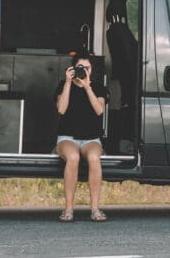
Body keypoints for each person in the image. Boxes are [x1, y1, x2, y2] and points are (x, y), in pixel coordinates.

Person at [54, 54, 109, 222]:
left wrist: (87, 87)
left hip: (91, 139)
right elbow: (61, 109)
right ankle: (68, 209)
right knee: (73, 157)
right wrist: (68, 83)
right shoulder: (64, 85)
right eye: (81, 68)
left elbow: (99, 110)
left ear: (92, 70)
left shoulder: (98, 87)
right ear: (73, 69)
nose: (84, 71)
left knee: (94, 158)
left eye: (87, 68)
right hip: (67, 137)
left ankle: (95, 209)